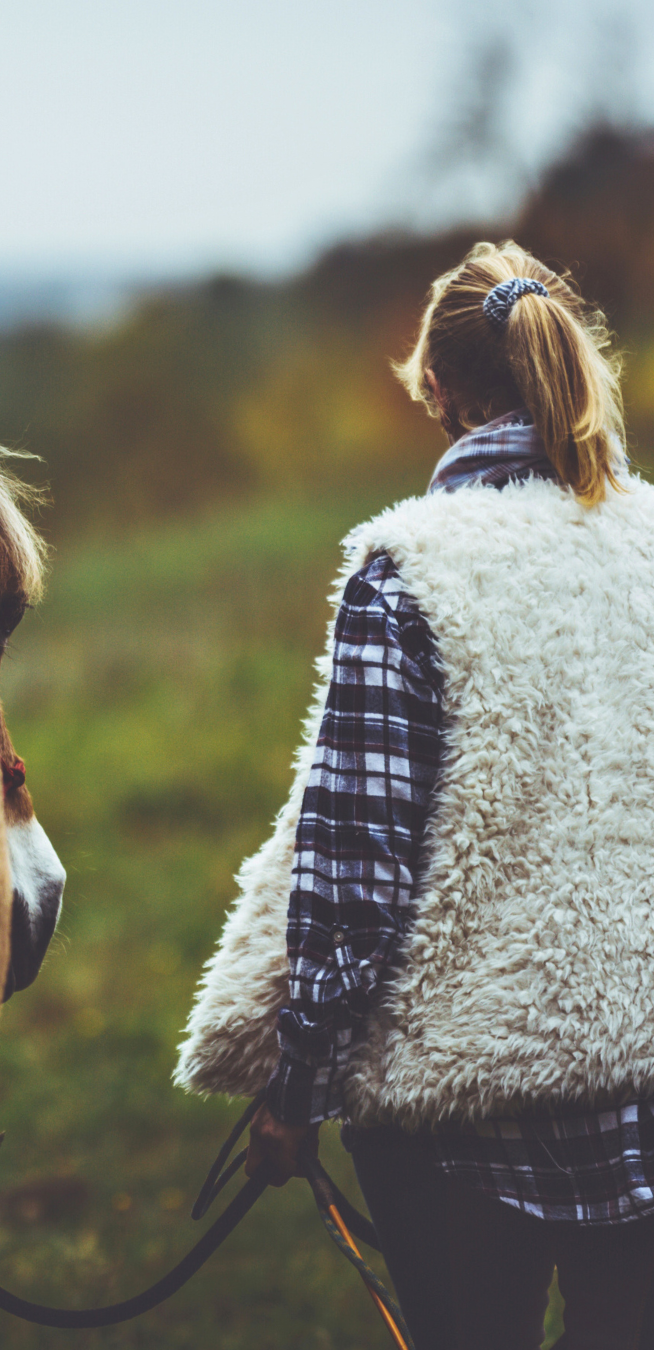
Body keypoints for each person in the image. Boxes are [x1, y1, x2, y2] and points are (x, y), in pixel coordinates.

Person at [240, 242, 654, 1349]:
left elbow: (355, 874)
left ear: (439, 390)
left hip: (458, 1123)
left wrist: (297, 1088)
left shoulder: (404, 573)